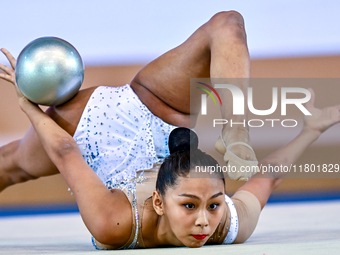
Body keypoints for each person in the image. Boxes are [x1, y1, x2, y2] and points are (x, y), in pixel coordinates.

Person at [1, 59, 340, 249]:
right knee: (10, 165)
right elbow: (63, 149)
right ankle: (234, 128)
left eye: (215, 204)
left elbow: (269, 176)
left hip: (128, 144)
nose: (205, 221)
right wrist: (26, 102)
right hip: (116, 125)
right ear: (160, 204)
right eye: (190, 206)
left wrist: (313, 128)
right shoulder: (118, 223)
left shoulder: (224, 223)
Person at [0, 11, 258, 192]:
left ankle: (235, 128)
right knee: (228, 23)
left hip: (87, 124)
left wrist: (28, 104)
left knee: (10, 163)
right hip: (155, 105)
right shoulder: (221, 224)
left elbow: (65, 153)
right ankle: (236, 127)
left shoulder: (112, 228)